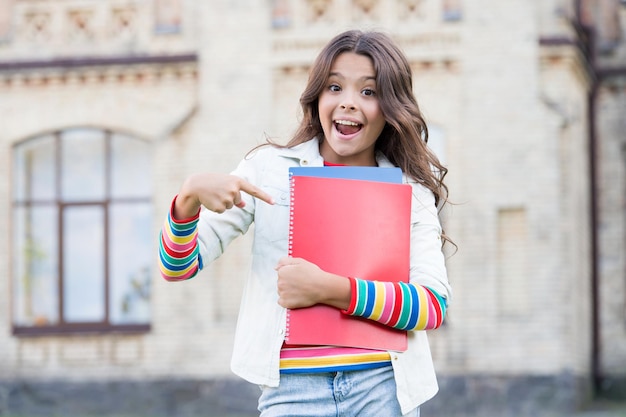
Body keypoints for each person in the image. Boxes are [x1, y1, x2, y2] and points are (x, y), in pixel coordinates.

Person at [159, 29, 452, 417]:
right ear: (317, 98)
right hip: (292, 391)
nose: (348, 103)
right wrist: (188, 198)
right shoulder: (267, 171)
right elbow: (177, 267)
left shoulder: (409, 189)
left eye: (368, 92)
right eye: (335, 87)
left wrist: (330, 289)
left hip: (383, 388)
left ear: (390, 106)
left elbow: (431, 305)